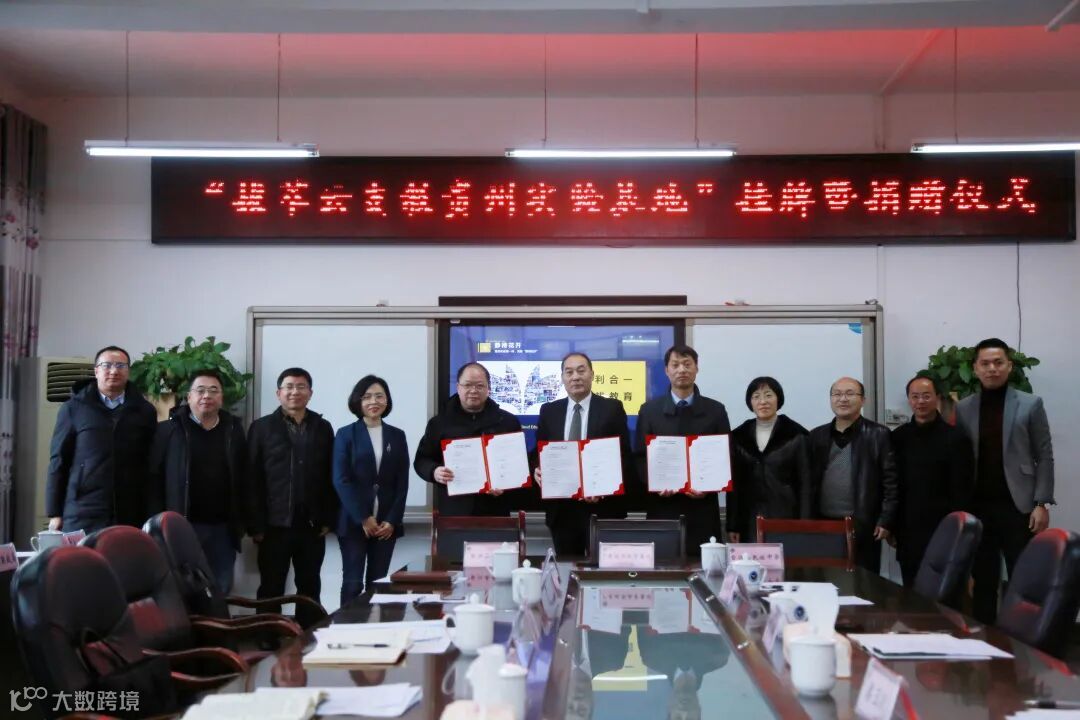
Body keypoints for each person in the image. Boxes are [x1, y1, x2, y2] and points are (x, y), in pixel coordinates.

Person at [954, 338, 1055, 624]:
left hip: (1018, 506)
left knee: (1022, 578)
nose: (992, 369)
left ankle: (1022, 637)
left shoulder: (1030, 404)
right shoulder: (964, 408)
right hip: (979, 507)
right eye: (985, 363)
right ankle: (985, 638)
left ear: (1009, 366)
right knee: (983, 580)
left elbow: (1044, 455)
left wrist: (1042, 502)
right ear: (975, 368)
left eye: (998, 362)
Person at [247, 368, 336, 624]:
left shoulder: (322, 428)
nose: (294, 391)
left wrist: (328, 518)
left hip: (311, 523)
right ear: (279, 393)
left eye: (301, 386)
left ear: (310, 393)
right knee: (271, 584)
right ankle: (267, 634)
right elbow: (251, 478)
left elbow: (331, 475)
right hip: (273, 525)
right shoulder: (261, 428)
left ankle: (308, 633)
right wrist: (255, 525)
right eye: (289, 386)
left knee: (310, 584)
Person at [147, 370, 247, 594]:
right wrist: (156, 524)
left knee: (220, 589)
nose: (206, 396)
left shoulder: (233, 430)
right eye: (200, 390)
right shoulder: (168, 430)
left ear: (221, 397)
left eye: (213, 391)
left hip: (222, 529)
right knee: (181, 591)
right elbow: (154, 479)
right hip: (181, 526)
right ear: (189, 396)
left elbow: (243, 476)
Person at [45, 346, 157, 533]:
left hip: (130, 509)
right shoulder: (74, 408)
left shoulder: (145, 411)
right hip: (83, 508)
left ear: (128, 371)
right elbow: (59, 460)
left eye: (120, 366)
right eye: (107, 365)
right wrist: (54, 512)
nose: (114, 371)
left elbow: (151, 462)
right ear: (96, 371)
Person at [533, 352, 632, 556]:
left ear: (592, 374)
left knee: (604, 568)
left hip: (602, 507)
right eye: (569, 372)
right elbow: (539, 452)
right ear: (562, 378)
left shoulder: (611, 409)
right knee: (566, 567)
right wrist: (537, 469)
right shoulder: (549, 411)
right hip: (562, 510)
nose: (575, 377)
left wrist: (604, 487)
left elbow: (623, 456)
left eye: (581, 370)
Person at [635, 344, 731, 552]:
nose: (682, 370)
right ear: (666, 370)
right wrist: (655, 484)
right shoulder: (649, 411)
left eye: (687, 364)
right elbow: (640, 457)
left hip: (703, 508)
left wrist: (709, 487)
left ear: (697, 368)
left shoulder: (715, 410)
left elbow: (726, 457)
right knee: (662, 563)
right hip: (662, 506)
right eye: (675, 365)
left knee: (704, 563)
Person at [808, 377, 898, 573]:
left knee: (863, 581)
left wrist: (886, 519)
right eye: (837, 394)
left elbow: (891, 481)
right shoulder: (816, 436)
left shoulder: (878, 434)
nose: (843, 399)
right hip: (823, 523)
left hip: (863, 524)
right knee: (825, 578)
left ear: (863, 400)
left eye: (850, 394)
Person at [333, 375, 410, 605]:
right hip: (354, 522)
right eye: (366, 397)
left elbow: (402, 482)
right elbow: (341, 480)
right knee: (353, 583)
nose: (373, 401)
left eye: (379, 396)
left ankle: (376, 625)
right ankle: (347, 625)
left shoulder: (397, 435)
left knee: (379, 584)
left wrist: (392, 520)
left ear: (387, 400)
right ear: (357, 401)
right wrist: (363, 518)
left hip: (386, 524)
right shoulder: (346, 434)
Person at [891, 376, 974, 588]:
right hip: (908, 527)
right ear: (909, 400)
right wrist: (891, 526)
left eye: (926, 396)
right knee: (911, 589)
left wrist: (958, 528)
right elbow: (892, 485)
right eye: (915, 396)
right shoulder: (898, 438)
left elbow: (963, 489)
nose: (921, 401)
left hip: (944, 526)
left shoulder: (956, 438)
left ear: (937, 397)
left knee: (946, 591)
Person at [414, 362, 522, 516]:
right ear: (458, 387)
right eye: (467, 385)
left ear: (489, 389)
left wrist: (506, 484)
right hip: (454, 511)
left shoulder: (507, 422)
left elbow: (519, 464)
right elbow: (422, 460)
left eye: (480, 386)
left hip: (495, 510)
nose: (473, 390)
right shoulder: (439, 423)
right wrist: (434, 471)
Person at [728, 376, 810, 543]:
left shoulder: (796, 435)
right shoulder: (738, 436)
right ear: (750, 402)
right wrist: (733, 524)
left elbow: (806, 483)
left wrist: (805, 524)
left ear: (778, 399)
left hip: (786, 515)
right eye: (756, 396)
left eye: (768, 395)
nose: (763, 401)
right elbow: (735, 484)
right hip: (749, 519)